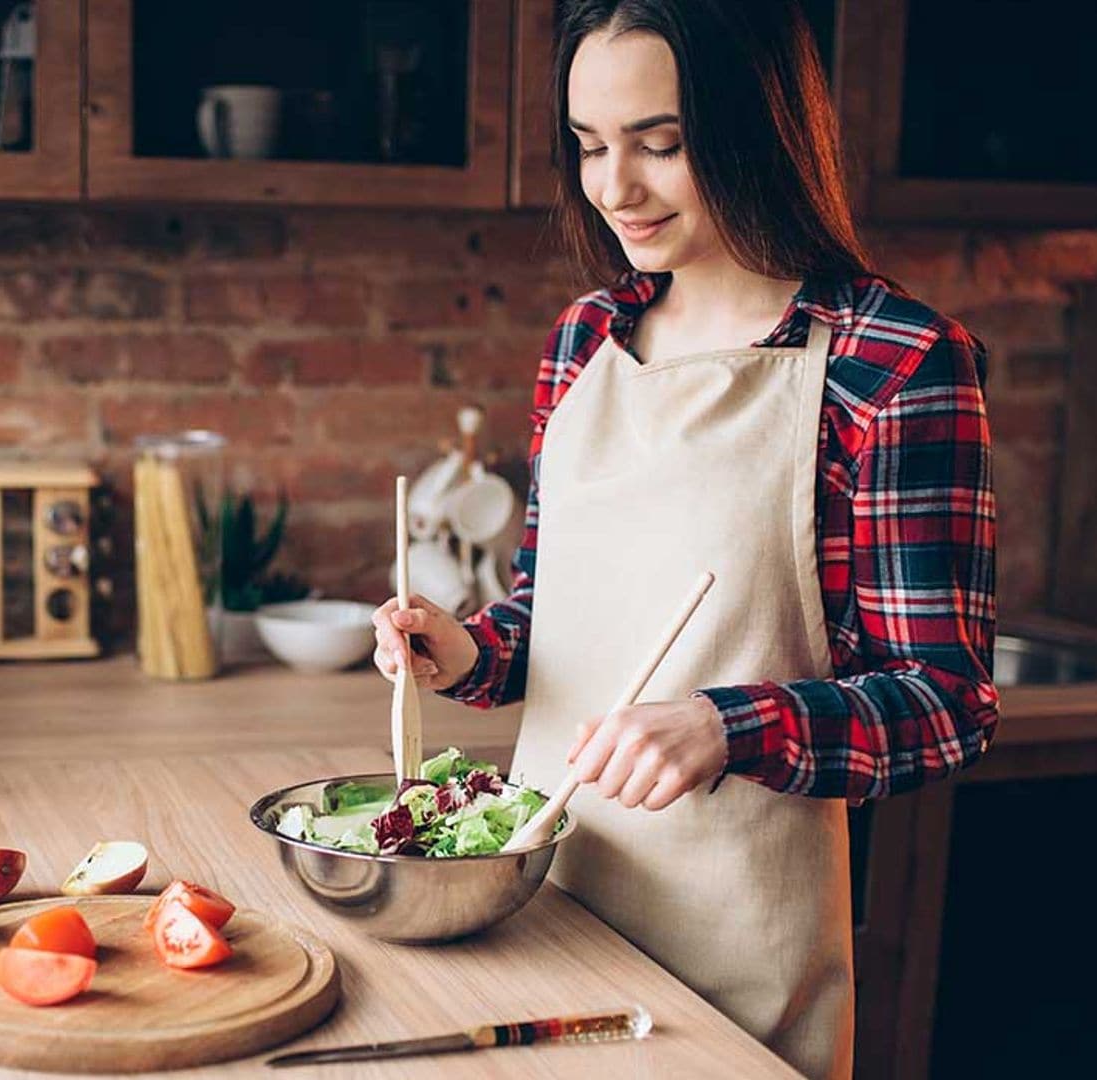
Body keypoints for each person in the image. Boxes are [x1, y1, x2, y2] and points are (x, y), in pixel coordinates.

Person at [371, 1, 998, 1076]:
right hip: (544, 914)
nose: (615, 187)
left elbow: (946, 703)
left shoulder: (894, 362)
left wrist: (728, 727)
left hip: (736, 963)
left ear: (760, 128)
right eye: (590, 146)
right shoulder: (584, 341)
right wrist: (466, 648)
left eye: (660, 143)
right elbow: (555, 605)